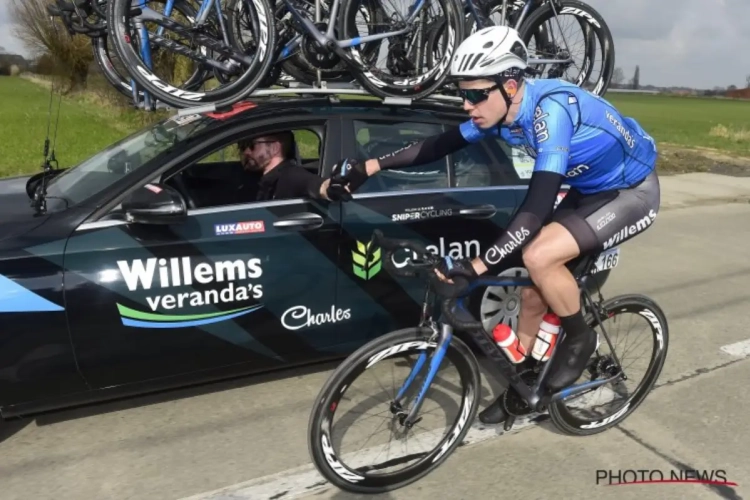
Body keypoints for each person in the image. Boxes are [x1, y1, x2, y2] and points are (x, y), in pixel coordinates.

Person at [326, 26, 660, 425]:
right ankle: (526, 380)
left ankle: (581, 337)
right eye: (463, 94)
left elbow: (534, 209)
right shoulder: (499, 110)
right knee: (534, 290)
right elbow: (438, 145)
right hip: (589, 188)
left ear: (511, 85)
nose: (467, 104)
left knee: (537, 255)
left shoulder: (550, 113)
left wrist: (477, 268)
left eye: (475, 94)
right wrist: (369, 166)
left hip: (631, 191)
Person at [237, 131, 347, 201]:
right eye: (242, 146)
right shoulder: (257, 177)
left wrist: (331, 187)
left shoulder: (291, 176)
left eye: (251, 145)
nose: (246, 152)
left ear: (275, 148)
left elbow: (316, 185)